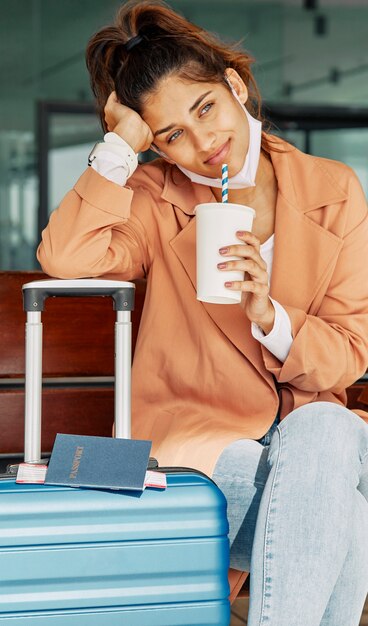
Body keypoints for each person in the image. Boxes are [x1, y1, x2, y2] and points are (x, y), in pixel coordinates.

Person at [37, 1, 368, 624]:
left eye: (205, 107)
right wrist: (120, 145)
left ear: (234, 85)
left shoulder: (335, 189)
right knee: (349, 512)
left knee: (328, 430)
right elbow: (66, 255)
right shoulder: (156, 196)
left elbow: (351, 349)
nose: (202, 143)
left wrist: (269, 316)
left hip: (313, 438)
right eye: (171, 135)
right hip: (196, 448)